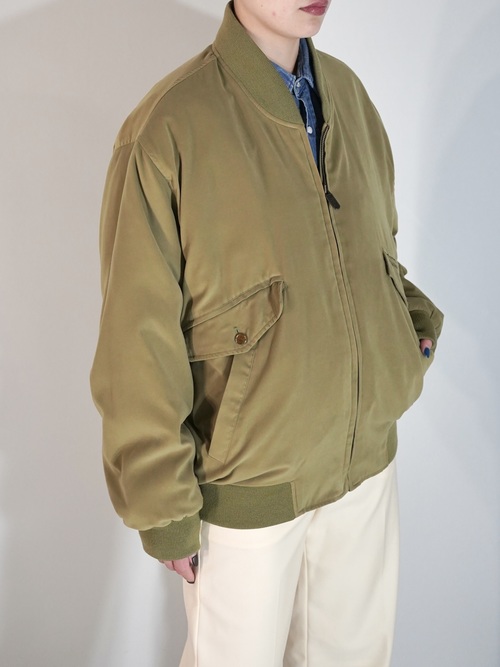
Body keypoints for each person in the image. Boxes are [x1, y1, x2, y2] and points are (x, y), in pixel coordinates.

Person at [90, 1, 444, 665]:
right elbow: (137, 340)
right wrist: (164, 506)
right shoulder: (169, 127)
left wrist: (409, 329)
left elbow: (378, 253)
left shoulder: (347, 94)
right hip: (248, 493)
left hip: (364, 474)